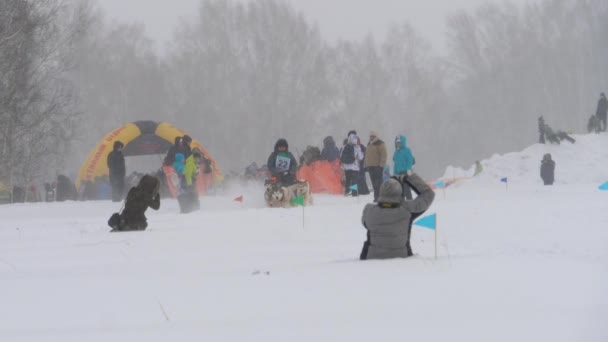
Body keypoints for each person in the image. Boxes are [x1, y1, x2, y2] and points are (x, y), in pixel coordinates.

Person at [360, 172, 435, 260]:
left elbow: (365, 223)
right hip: (401, 258)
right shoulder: (407, 209)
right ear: (400, 192)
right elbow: (428, 194)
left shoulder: (369, 210)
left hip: (371, 259)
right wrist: (407, 179)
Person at [364, 130, 387, 202]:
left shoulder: (380, 143)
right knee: (374, 183)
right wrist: (366, 165)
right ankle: (376, 197)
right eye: (370, 136)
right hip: (371, 167)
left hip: (378, 166)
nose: (371, 137)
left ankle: (381, 197)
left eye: (373, 136)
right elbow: (367, 155)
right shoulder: (369, 144)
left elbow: (384, 155)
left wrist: (381, 165)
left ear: (376, 136)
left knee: (378, 183)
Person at [341, 130, 364, 196]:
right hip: (355, 167)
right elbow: (361, 157)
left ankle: (347, 191)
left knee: (348, 180)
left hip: (346, 167)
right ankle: (354, 193)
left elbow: (341, 156)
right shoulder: (357, 147)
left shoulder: (345, 146)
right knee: (354, 181)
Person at [393, 134, 415, 200]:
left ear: (403, 143)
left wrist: (408, 169)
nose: (398, 144)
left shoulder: (407, 151)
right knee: (400, 188)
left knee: (406, 187)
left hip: (405, 172)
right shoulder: (396, 152)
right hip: (398, 173)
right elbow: (395, 163)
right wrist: (395, 172)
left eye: (399, 143)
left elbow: (410, 160)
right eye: (397, 143)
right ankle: (402, 202)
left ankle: (409, 200)